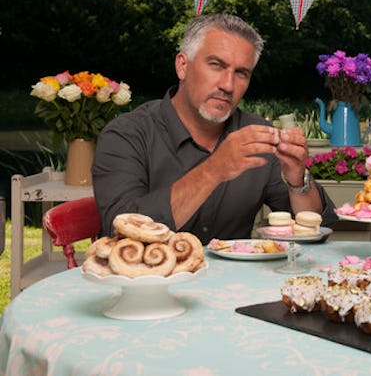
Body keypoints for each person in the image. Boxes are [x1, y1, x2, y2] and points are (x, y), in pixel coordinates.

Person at [92, 13, 337, 243]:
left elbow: (315, 231)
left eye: (241, 73)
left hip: (234, 276)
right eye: (216, 65)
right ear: (183, 66)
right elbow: (120, 229)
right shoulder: (126, 135)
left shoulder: (258, 135)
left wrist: (298, 181)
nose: (228, 85)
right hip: (147, 274)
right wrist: (214, 170)